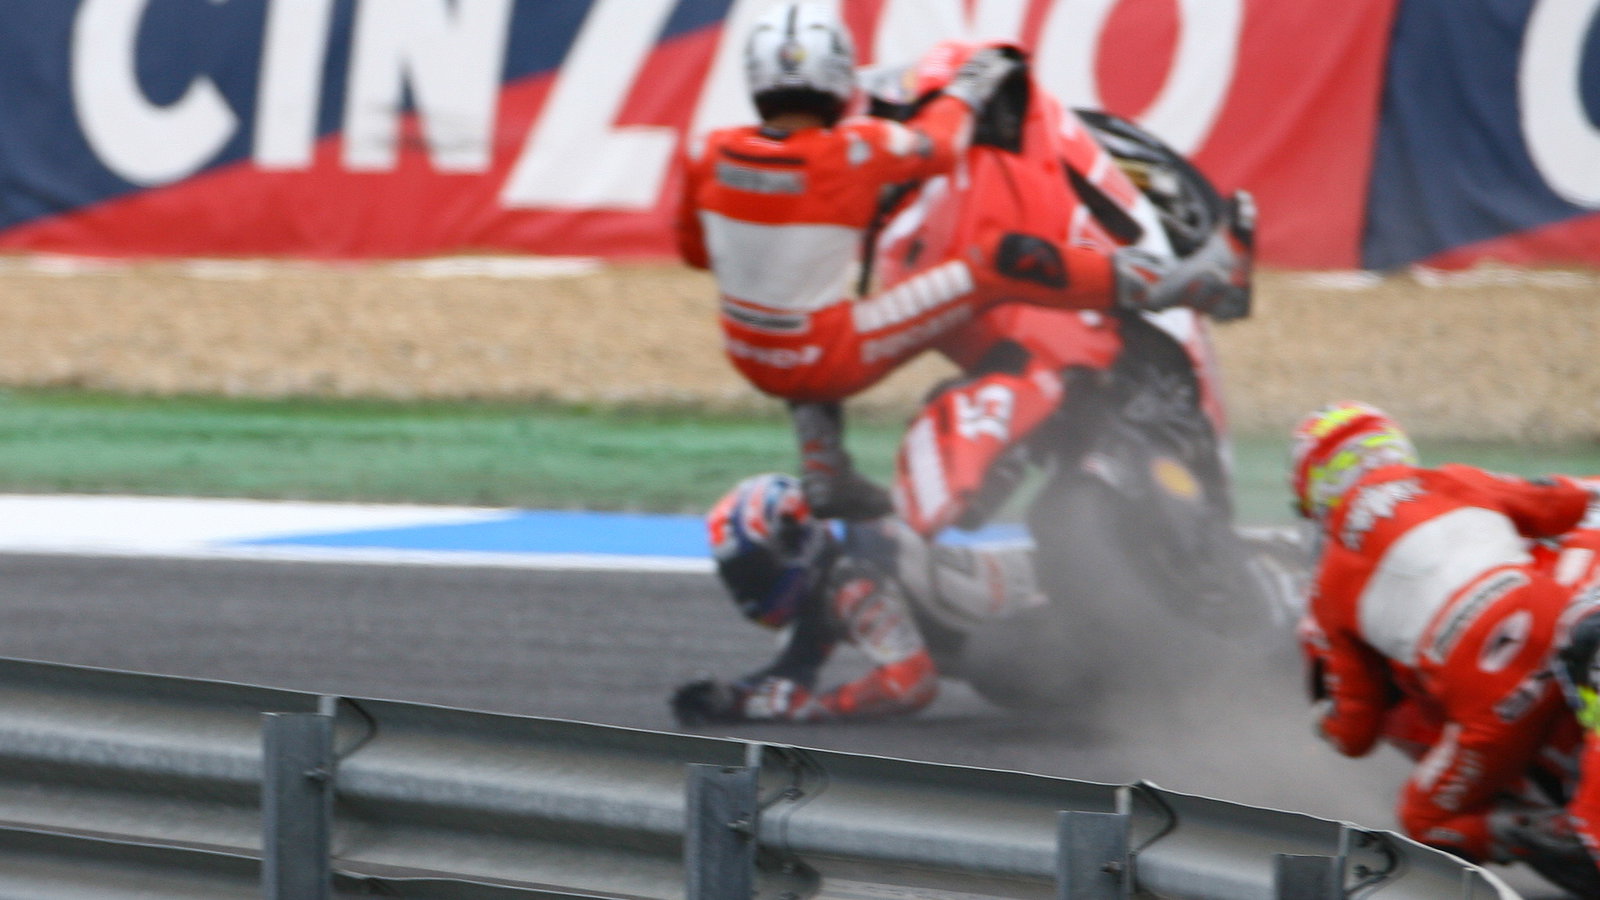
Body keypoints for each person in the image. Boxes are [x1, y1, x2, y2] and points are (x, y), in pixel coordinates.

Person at [675, 3, 1251, 521]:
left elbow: (695, 252)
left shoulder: (707, 150)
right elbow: (942, 145)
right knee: (996, 262)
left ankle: (825, 469)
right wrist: (968, 87)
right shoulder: (852, 152)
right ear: (833, 77)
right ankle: (1183, 285)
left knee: (799, 292)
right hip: (831, 353)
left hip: (749, 351)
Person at [1291, 400, 1600, 889]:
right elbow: (1564, 499)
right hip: (1557, 621)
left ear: (1315, 490)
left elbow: (1355, 730)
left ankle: (1552, 830)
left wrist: (1324, 724)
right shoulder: (1454, 479)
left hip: (1493, 710)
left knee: (1421, 819)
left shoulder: (1327, 587)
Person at [669, 472, 1046, 724]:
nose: (748, 587)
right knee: (996, 661)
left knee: (995, 662)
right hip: (1032, 606)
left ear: (797, 541)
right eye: (738, 576)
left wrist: (821, 708)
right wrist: (731, 700)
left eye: (753, 572)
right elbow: (795, 669)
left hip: (1046, 602)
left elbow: (912, 685)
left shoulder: (855, 581)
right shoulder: (829, 578)